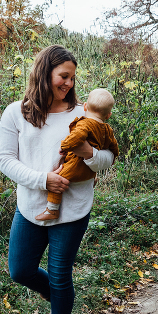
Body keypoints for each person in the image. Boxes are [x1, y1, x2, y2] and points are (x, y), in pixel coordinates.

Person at [0, 45, 115, 314]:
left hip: (73, 209)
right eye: (64, 76)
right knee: (20, 270)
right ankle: (62, 302)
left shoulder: (84, 115)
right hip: (31, 206)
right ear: (45, 72)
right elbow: (5, 160)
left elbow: (107, 159)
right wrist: (42, 180)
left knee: (61, 275)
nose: (69, 83)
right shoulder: (15, 113)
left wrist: (89, 152)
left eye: (72, 77)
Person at [35, 88, 119, 221]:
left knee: (58, 180)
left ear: (85, 106)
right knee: (85, 176)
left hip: (76, 164)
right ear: (108, 115)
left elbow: (76, 137)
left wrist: (64, 146)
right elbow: (114, 147)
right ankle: (92, 180)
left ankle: (52, 209)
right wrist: (113, 156)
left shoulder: (85, 124)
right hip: (89, 170)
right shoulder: (108, 129)